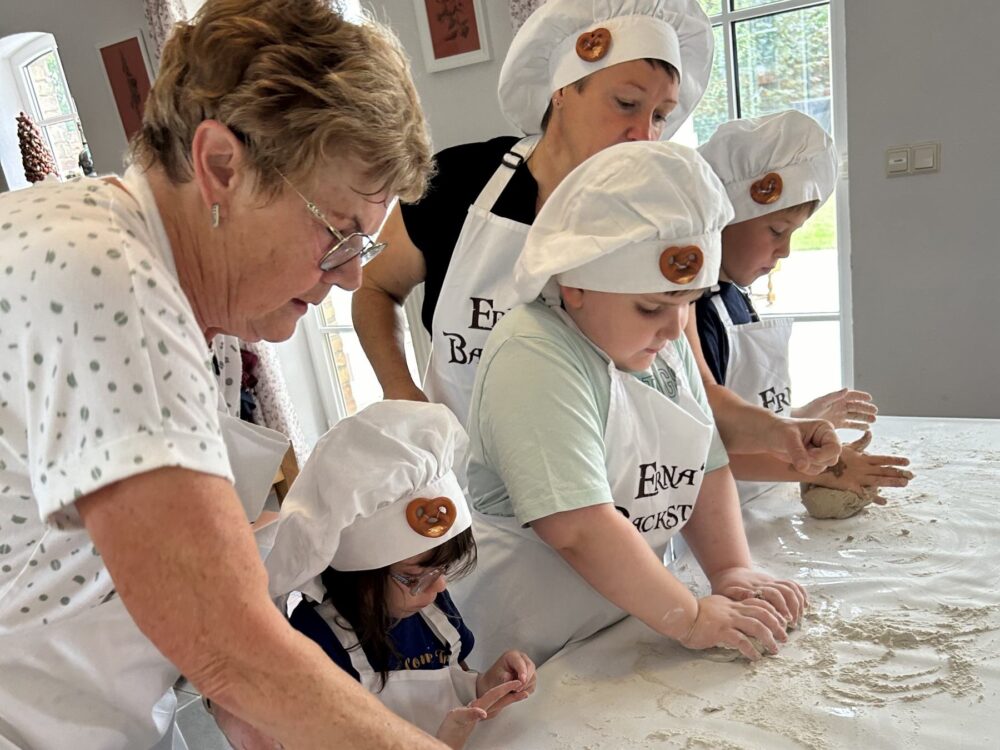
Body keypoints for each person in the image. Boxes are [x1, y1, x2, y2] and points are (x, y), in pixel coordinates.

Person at [0, 1, 446, 748]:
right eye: (339, 235)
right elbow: (231, 651)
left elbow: (224, 655)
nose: (346, 281)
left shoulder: (183, 301)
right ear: (220, 166)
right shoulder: (107, 281)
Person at [450, 140, 807, 670]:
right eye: (651, 307)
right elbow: (578, 527)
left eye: (688, 304)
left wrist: (730, 568)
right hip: (526, 646)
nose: (673, 328)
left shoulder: (657, 342)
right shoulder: (536, 354)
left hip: (621, 618)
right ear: (575, 285)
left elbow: (704, 465)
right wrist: (687, 618)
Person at [353, 0, 714, 426]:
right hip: (467, 467)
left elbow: (694, 377)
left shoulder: (655, 214)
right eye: (626, 103)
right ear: (561, 90)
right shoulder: (459, 182)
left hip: (602, 479)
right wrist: (400, 389)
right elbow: (373, 287)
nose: (645, 135)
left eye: (660, 116)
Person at [220, 401, 536, 750]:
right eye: (417, 577)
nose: (441, 585)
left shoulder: (431, 609)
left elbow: (451, 679)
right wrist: (443, 739)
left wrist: (485, 685)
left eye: (442, 570)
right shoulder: (315, 643)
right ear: (360, 577)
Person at [692, 110, 912, 503]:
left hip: (765, 497)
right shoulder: (693, 313)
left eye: (793, 233)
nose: (786, 250)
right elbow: (705, 445)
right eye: (776, 230)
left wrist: (802, 418)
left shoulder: (735, 298)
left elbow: (748, 416)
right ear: (721, 217)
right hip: (720, 513)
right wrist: (826, 465)